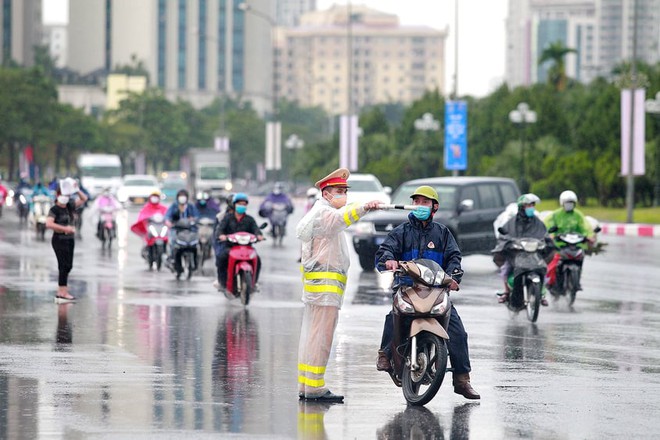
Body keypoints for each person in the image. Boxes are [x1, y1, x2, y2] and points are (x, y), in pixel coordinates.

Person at [374, 185, 481, 400]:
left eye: (425, 202)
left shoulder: (442, 233)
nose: (419, 206)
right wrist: (388, 260)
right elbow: (384, 252)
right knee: (393, 315)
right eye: (416, 202)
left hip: (436, 289)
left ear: (435, 207)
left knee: (458, 332)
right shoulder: (401, 231)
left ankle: (462, 380)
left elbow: (454, 258)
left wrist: (453, 277)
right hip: (407, 287)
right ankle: (385, 353)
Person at [296, 168, 381, 402]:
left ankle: (307, 384)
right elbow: (342, 219)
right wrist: (365, 207)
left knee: (312, 336)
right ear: (326, 193)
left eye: (345, 191)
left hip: (318, 288)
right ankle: (314, 388)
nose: (343, 195)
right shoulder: (324, 214)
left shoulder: (317, 212)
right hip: (325, 289)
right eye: (339, 191)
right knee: (321, 338)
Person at [496, 193, 551, 306]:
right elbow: (504, 234)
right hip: (516, 253)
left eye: (532, 205)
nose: (531, 208)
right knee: (506, 268)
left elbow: (544, 234)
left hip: (533, 253)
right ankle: (507, 292)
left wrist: (545, 241)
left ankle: (541, 293)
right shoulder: (512, 221)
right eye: (528, 205)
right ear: (522, 207)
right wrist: (509, 242)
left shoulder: (537, 221)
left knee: (543, 268)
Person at [212, 193, 265, 292]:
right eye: (240, 204)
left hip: (247, 248)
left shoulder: (249, 219)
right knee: (221, 258)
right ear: (234, 204)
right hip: (230, 247)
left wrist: (259, 235)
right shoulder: (227, 218)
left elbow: (256, 229)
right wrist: (221, 235)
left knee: (257, 259)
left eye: (244, 204)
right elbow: (219, 229)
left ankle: (254, 283)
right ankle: (222, 282)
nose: (242, 206)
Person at [543, 190, 595, 290]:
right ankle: (551, 281)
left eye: (571, 203)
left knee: (581, 256)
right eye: (567, 203)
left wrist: (589, 236)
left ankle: (577, 280)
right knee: (553, 261)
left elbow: (585, 227)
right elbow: (547, 225)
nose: (569, 205)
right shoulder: (555, 215)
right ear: (562, 203)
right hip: (559, 245)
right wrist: (551, 235)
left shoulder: (578, 215)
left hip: (575, 244)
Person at [45, 182, 88, 302]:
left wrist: (76, 189)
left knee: (69, 266)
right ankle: (62, 293)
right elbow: (49, 224)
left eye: (68, 195)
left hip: (70, 240)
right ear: (58, 195)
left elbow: (84, 199)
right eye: (64, 194)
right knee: (63, 266)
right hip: (59, 239)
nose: (66, 197)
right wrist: (65, 229)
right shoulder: (54, 209)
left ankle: (62, 292)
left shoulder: (70, 206)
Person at [165, 189, 199, 270]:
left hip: (189, 229)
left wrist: (193, 220)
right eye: (181, 196)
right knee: (173, 242)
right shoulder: (174, 206)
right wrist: (169, 222)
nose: (182, 198)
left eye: (184, 196)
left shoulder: (190, 206)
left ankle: (196, 261)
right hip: (177, 229)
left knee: (195, 243)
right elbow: (167, 216)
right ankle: (172, 259)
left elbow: (197, 216)